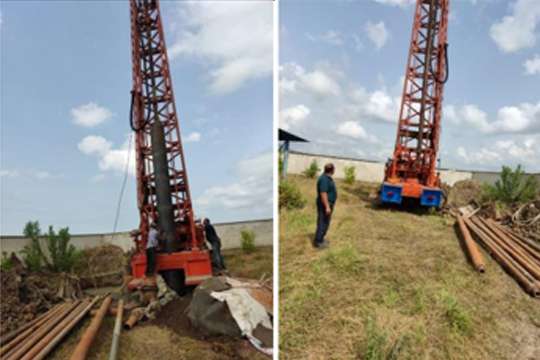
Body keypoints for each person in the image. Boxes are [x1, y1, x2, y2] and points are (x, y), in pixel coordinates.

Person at [314, 163, 337, 249]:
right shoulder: (324, 179)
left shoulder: (327, 178)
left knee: (325, 222)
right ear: (332, 170)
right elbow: (323, 193)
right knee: (322, 222)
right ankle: (318, 242)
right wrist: (327, 206)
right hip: (324, 204)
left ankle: (321, 239)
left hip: (327, 203)